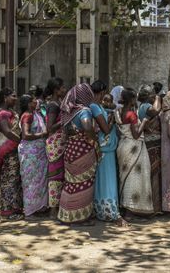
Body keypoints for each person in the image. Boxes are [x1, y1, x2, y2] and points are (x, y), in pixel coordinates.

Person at [58, 83, 98, 224]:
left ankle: (66, 214)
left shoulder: (69, 112)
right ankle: (80, 217)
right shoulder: (84, 111)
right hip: (83, 151)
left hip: (70, 150)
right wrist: (94, 138)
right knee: (84, 183)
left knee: (70, 183)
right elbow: (87, 125)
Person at [90, 80, 126, 225]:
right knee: (107, 181)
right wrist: (111, 120)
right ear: (102, 92)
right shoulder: (95, 107)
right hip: (104, 149)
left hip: (107, 148)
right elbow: (105, 129)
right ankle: (111, 212)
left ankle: (103, 210)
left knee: (105, 180)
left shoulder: (98, 106)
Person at [116, 88, 153, 217]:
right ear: (131, 99)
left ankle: (126, 207)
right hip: (134, 146)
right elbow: (136, 135)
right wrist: (144, 122)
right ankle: (131, 209)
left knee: (125, 178)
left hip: (123, 145)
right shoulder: (132, 114)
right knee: (134, 178)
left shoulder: (119, 111)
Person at [0, 88, 23, 221]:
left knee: (15, 180)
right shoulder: (2, 114)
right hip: (7, 150)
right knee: (8, 181)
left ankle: (15, 209)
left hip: (14, 149)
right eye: (13, 96)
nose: (15, 99)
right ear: (5, 98)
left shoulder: (11, 112)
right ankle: (7, 211)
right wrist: (21, 140)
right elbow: (6, 131)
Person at [18, 94, 48, 218]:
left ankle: (39, 207)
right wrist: (42, 134)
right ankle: (30, 210)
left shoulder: (37, 114)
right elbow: (25, 135)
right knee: (31, 181)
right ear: (28, 103)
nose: (36, 101)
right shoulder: (27, 115)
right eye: (33, 100)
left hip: (39, 152)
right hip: (31, 153)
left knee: (39, 181)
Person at [44, 77, 67, 219]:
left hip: (60, 142)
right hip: (55, 143)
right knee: (55, 176)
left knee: (61, 176)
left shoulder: (59, 103)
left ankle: (58, 206)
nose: (64, 90)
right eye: (62, 88)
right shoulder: (53, 105)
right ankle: (53, 208)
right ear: (56, 90)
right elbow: (49, 128)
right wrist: (64, 121)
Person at [138, 86, 163, 214]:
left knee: (155, 174)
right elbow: (156, 111)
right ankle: (155, 206)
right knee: (154, 174)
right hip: (151, 144)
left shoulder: (143, 106)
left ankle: (155, 205)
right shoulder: (145, 106)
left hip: (152, 143)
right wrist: (158, 98)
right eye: (152, 94)